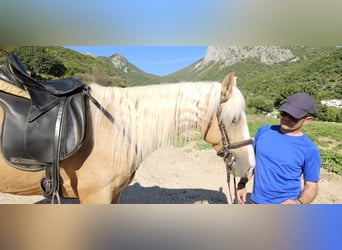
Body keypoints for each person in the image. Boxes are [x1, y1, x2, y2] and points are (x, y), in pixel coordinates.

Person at [237, 93, 321, 204]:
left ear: (307, 119)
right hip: (255, 201)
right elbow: (253, 164)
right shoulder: (263, 132)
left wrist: (299, 203)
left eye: (293, 117)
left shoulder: (310, 149)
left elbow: (311, 185)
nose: (286, 118)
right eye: (284, 113)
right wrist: (242, 183)